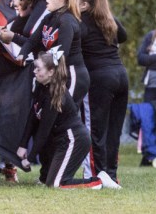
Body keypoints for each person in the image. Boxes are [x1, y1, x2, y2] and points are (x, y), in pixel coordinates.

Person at [17, 50, 118, 189]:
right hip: (62, 141)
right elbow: (33, 117)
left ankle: (100, 181)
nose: (34, 71)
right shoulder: (41, 87)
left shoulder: (55, 96)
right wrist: (23, 145)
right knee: (51, 182)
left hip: (74, 139)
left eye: (38, 69)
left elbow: (43, 131)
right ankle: (97, 179)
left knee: (56, 184)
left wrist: (30, 157)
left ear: (51, 72)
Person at [78, 0, 128, 184]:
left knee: (94, 129)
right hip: (120, 76)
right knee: (113, 131)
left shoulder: (80, 21)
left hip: (99, 78)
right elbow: (123, 36)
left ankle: (95, 176)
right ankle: (111, 176)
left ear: (84, 4)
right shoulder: (107, 18)